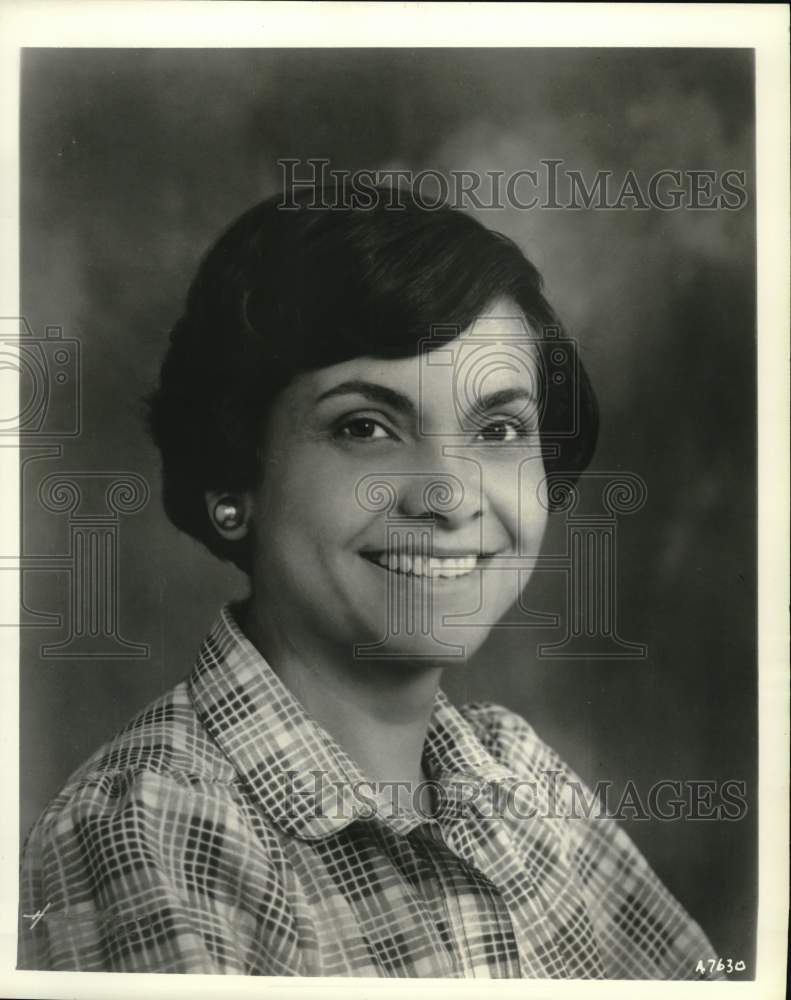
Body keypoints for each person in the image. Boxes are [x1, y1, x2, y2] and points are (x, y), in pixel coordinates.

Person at [19, 188, 721, 977]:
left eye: (497, 430)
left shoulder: (518, 776)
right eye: (365, 428)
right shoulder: (153, 823)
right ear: (232, 481)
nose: (450, 497)